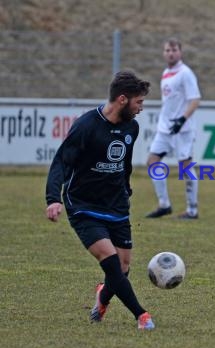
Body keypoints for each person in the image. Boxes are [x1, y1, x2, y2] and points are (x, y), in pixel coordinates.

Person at [45, 71, 155, 330]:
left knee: (123, 267)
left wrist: (126, 187)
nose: (141, 108)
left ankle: (103, 297)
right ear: (122, 99)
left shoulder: (132, 127)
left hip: (116, 204)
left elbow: (124, 162)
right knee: (112, 262)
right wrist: (53, 198)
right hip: (83, 205)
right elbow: (61, 161)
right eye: (138, 102)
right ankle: (142, 315)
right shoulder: (86, 126)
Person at [146, 37, 202, 219]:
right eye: (167, 50)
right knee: (153, 162)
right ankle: (164, 204)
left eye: (174, 50)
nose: (170, 53)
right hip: (165, 129)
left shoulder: (186, 73)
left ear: (180, 52)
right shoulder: (166, 73)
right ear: (164, 53)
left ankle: (192, 210)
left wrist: (181, 120)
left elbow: (195, 99)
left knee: (185, 167)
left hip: (182, 130)